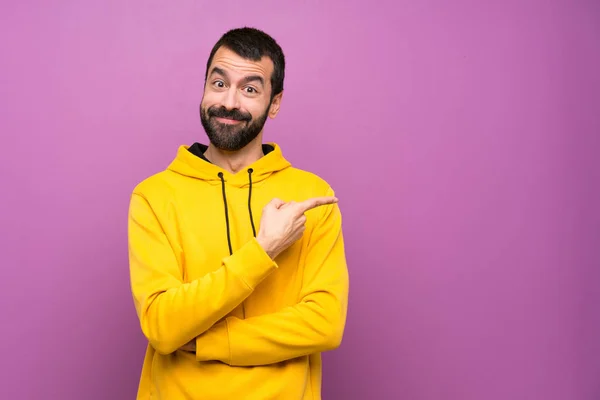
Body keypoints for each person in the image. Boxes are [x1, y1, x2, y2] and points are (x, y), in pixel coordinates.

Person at [127, 27, 349, 400]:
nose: (229, 102)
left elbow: (325, 323)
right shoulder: (153, 196)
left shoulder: (312, 196)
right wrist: (263, 251)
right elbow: (163, 326)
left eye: (249, 89)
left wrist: (211, 342)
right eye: (219, 83)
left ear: (274, 103)